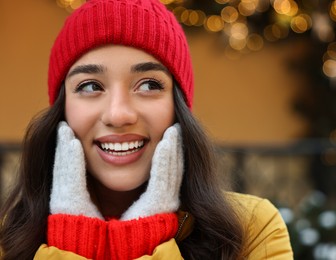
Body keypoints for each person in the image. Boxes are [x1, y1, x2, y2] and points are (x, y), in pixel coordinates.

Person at [0, 0, 293, 259]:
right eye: (90, 86)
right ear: (62, 109)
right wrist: (71, 237)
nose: (119, 114)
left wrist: (146, 237)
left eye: (149, 85)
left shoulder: (251, 231)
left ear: (178, 106)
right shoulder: (7, 241)